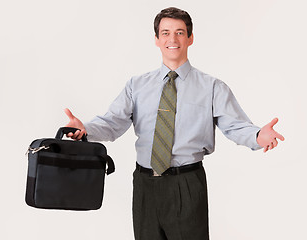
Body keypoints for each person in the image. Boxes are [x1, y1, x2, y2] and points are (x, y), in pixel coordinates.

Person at [64, 7, 284, 240]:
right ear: (157, 39)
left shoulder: (212, 87)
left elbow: (236, 125)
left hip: (187, 184)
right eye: (166, 33)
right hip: (144, 185)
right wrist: (85, 128)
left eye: (180, 33)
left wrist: (259, 136)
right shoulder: (136, 85)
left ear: (190, 38)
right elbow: (112, 122)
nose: (172, 39)